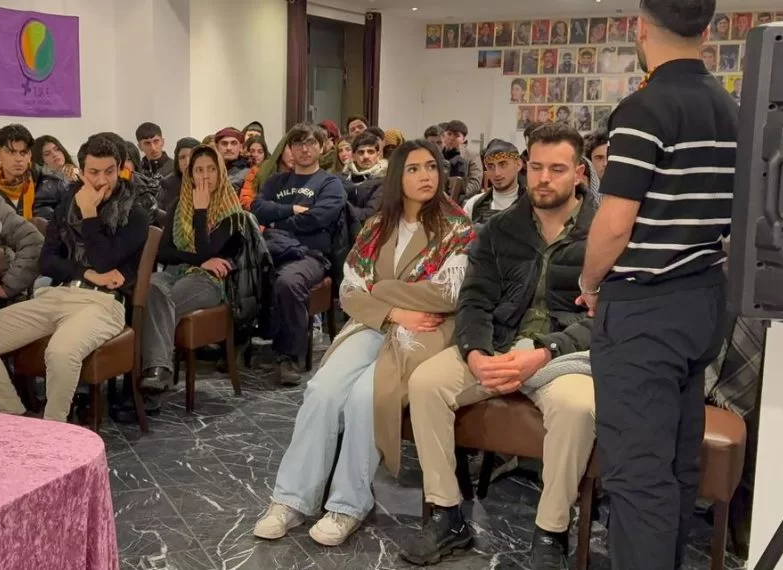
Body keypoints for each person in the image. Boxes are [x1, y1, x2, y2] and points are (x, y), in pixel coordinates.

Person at [577, 1, 737, 567]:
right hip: (704, 296)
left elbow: (616, 221)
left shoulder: (644, 108)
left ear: (640, 27)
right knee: (676, 464)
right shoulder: (730, 108)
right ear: (707, 29)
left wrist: (590, 280)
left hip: (646, 309)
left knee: (638, 476)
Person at [254, 140, 475, 547]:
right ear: (398, 177)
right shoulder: (378, 226)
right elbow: (350, 291)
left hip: (425, 331)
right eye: (413, 169)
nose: (425, 176)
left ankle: (347, 505)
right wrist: (391, 310)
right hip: (376, 322)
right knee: (322, 390)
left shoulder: (457, 228)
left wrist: (384, 290)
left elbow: (447, 294)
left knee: (364, 397)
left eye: (431, 167)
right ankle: (291, 499)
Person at [399, 123, 596, 569]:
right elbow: (474, 299)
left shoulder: (604, 232)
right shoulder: (499, 228)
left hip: (563, 352)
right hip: (500, 342)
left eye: (557, 169)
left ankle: (551, 533)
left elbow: (606, 319)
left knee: (577, 408)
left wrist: (543, 352)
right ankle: (447, 515)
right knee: (426, 383)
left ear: (579, 173)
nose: (544, 178)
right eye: (537, 167)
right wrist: (475, 353)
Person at [0, 134, 150, 421]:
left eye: (109, 171)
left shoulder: (135, 212)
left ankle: (53, 429)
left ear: (119, 169)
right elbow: (47, 262)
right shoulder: (66, 205)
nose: (102, 180)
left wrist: (90, 213)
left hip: (103, 303)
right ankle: (18, 419)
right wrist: (86, 273)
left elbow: (104, 260)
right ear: (82, 172)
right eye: (93, 172)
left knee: (60, 352)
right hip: (58, 294)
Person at [139, 145, 244, 392]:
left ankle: (151, 376)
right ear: (190, 174)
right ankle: (157, 371)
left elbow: (208, 253)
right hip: (175, 272)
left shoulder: (231, 211)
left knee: (158, 304)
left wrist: (201, 211)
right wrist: (198, 259)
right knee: (151, 286)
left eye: (211, 169)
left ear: (220, 172)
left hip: (209, 280)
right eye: (198, 170)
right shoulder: (179, 204)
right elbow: (164, 251)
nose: (205, 176)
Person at [251, 124, 345, 385]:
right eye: (298, 143)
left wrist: (276, 221)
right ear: (289, 149)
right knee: (239, 269)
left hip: (311, 256)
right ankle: (238, 343)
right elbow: (257, 209)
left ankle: (289, 356)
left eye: (311, 143)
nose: (304, 149)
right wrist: (291, 209)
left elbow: (318, 218)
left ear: (322, 147)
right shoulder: (276, 181)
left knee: (288, 282)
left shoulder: (330, 183)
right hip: (274, 250)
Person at [0, 124, 63, 221]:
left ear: (29, 155)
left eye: (23, 152)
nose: (18, 159)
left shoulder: (54, 185)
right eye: (11, 152)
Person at [464, 140, 524, 227]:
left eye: (503, 164)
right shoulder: (473, 204)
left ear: (518, 165)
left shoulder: (533, 206)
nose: (497, 173)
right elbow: (456, 234)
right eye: (491, 166)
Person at [340, 132, 387, 239]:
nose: (366, 156)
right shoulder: (341, 178)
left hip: (368, 237)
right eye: (361, 152)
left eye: (370, 152)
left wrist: (341, 205)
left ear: (378, 155)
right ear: (353, 156)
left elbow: (370, 214)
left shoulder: (384, 181)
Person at [240, 139, 294, 211]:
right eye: (291, 148)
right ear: (281, 149)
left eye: (260, 152)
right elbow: (246, 197)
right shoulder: (258, 170)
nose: (295, 153)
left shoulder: (301, 174)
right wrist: (260, 208)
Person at [441, 121, 483, 199]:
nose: (452, 138)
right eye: (449, 134)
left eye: (457, 135)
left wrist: (457, 195)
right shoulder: (438, 153)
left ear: (463, 139)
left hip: (461, 198)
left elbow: (475, 183)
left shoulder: (472, 156)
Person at [159, 137, 200, 216]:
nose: (187, 162)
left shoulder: (210, 181)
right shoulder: (167, 184)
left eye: (192, 156)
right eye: (182, 157)